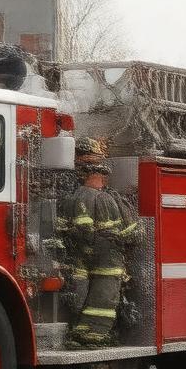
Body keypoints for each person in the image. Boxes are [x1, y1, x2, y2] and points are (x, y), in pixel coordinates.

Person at [57, 137, 140, 348]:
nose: (104, 180)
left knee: (86, 294)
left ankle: (81, 332)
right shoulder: (105, 198)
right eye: (101, 175)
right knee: (104, 297)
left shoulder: (75, 196)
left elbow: (75, 228)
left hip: (84, 255)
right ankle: (93, 335)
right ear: (96, 174)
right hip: (108, 257)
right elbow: (130, 233)